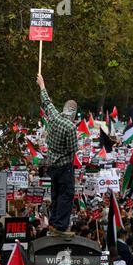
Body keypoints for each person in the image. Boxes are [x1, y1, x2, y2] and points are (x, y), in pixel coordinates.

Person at [37, 74, 78, 238]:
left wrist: (42, 84)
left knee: (55, 195)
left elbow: (47, 102)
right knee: (66, 195)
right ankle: (60, 227)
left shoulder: (53, 117)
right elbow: (73, 149)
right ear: (74, 113)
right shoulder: (70, 127)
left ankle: (53, 223)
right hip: (65, 167)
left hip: (52, 165)